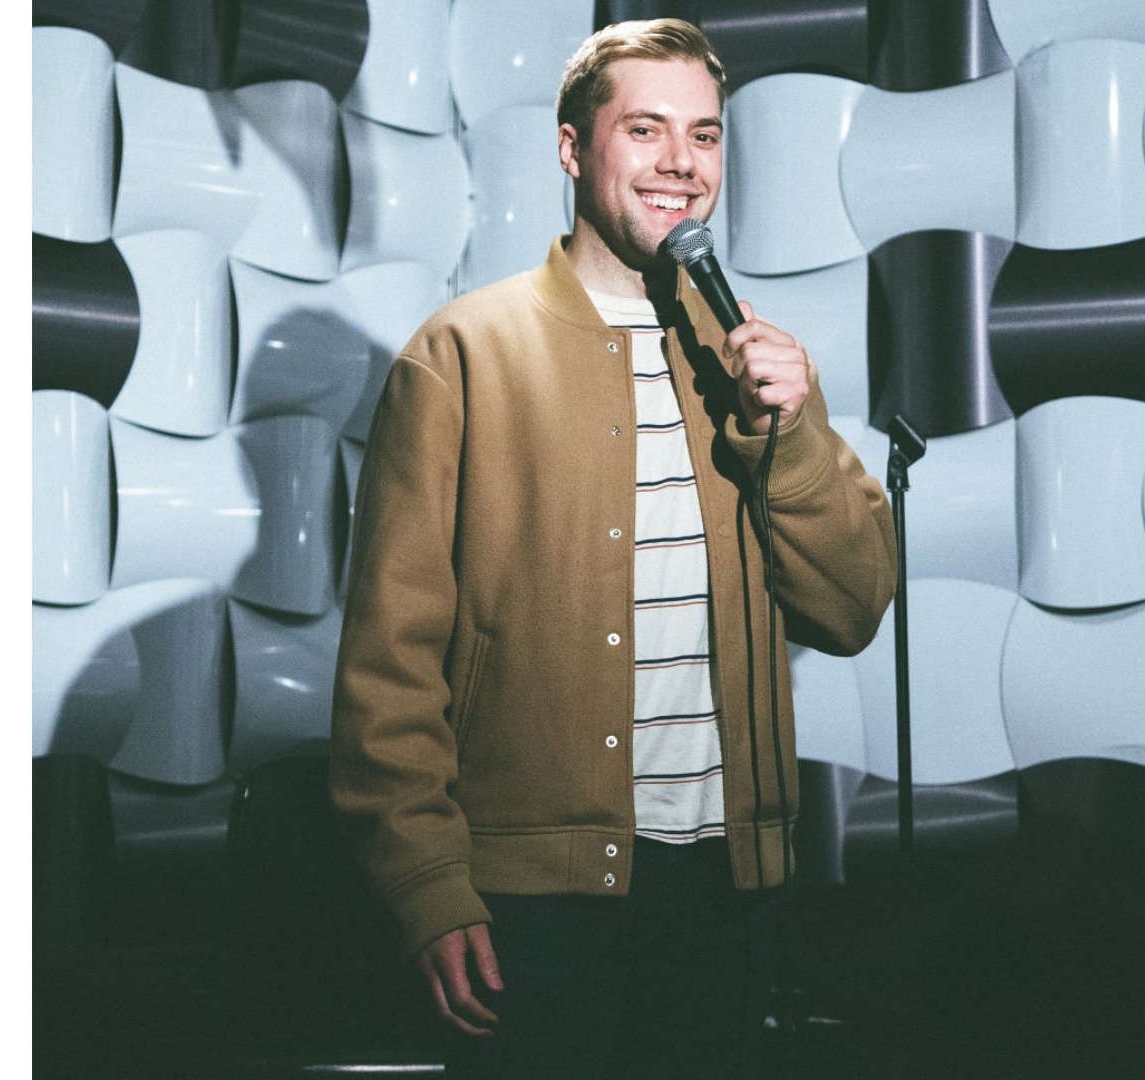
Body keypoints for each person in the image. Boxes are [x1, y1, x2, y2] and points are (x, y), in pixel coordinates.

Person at [328, 18, 896, 1077]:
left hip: (728, 892)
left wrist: (794, 436)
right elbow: (386, 669)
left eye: (705, 134)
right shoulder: (464, 354)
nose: (682, 161)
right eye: (645, 129)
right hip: (532, 903)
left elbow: (852, 608)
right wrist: (426, 884)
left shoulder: (748, 360)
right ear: (570, 148)